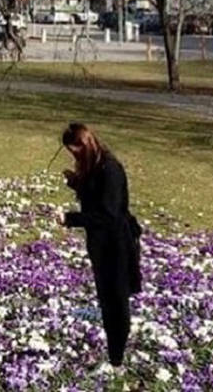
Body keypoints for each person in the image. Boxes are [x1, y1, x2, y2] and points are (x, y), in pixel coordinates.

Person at [60, 122, 141, 368]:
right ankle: (113, 351)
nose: (74, 156)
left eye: (75, 152)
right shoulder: (95, 167)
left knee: (116, 302)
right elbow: (96, 197)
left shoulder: (110, 169)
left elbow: (108, 215)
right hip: (100, 244)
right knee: (107, 301)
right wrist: (76, 182)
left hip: (116, 244)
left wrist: (69, 218)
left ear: (85, 146)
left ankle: (117, 357)